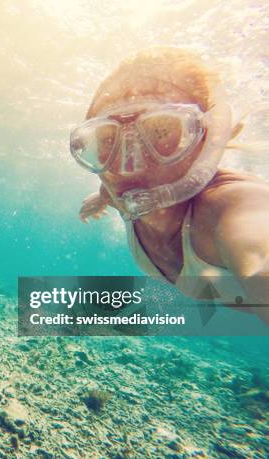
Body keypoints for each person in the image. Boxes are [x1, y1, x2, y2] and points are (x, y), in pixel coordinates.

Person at [69, 47, 269, 324]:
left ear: (206, 142)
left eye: (161, 132)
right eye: (107, 140)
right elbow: (110, 190)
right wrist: (100, 198)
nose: (129, 166)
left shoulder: (233, 206)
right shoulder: (120, 194)